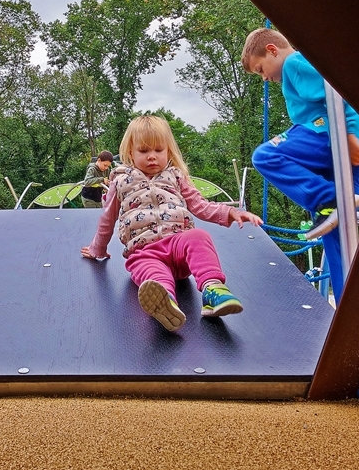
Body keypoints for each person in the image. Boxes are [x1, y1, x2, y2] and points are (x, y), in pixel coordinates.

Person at [81, 115, 262, 332]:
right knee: (153, 274)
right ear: (131, 153)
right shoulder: (120, 181)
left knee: (199, 237)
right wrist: (97, 249)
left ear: (168, 150)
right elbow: (107, 220)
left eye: (158, 150)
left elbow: (200, 205)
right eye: (144, 151)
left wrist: (231, 212)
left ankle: (213, 289)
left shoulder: (175, 176)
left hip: (178, 246)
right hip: (144, 251)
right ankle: (165, 302)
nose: (152, 157)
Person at [241, 27, 359, 302]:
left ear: (271, 50)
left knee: (265, 156)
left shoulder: (294, 62)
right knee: (337, 233)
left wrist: (349, 133)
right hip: (356, 156)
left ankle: (331, 198)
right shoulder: (293, 69)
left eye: (260, 70)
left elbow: (336, 91)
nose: (265, 78)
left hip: (332, 137)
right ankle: (350, 307)